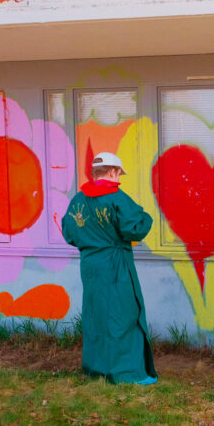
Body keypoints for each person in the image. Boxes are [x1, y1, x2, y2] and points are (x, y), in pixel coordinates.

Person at [62, 152, 157, 385]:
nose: (119, 178)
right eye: (118, 174)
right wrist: (145, 217)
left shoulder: (78, 200)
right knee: (124, 314)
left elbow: (69, 232)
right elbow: (135, 227)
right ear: (113, 172)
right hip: (116, 263)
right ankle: (124, 372)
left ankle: (97, 369)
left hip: (90, 265)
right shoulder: (117, 197)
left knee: (96, 314)